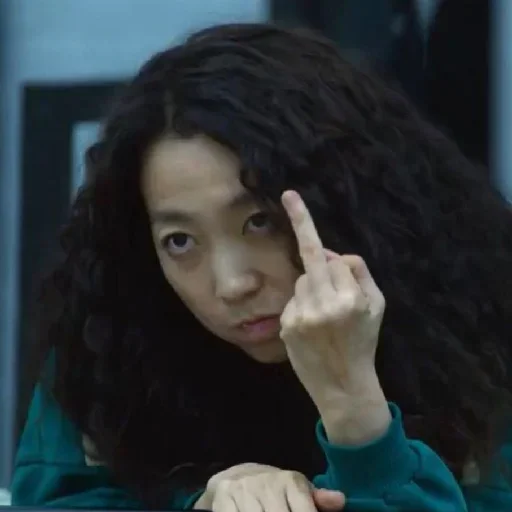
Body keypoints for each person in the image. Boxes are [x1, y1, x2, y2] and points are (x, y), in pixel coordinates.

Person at [11, 23, 512, 511]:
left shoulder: (483, 329)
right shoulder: (111, 338)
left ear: (352, 203)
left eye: (260, 221)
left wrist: (355, 413)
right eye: (180, 241)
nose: (232, 284)